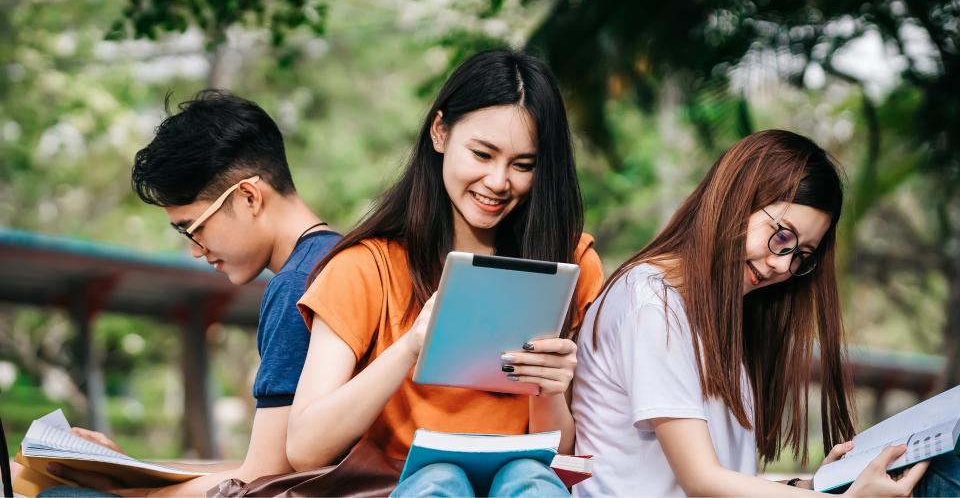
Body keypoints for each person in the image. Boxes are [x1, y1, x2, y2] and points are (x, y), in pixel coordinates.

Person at [571, 129, 960, 497]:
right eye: (783, 236)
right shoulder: (651, 301)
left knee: (924, 466)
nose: (782, 266)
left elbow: (729, 478)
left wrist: (817, 485)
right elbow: (702, 482)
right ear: (736, 200)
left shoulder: (715, 317)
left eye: (800, 255)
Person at [286, 49, 604, 497]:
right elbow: (305, 447)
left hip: (526, 480)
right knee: (440, 481)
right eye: (482, 154)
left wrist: (548, 388)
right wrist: (411, 346)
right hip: (401, 485)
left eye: (523, 165)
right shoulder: (364, 268)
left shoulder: (568, 263)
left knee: (529, 479)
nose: (498, 181)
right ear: (440, 133)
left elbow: (559, 452)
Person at [44, 91, 341, 497]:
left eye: (193, 227)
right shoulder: (340, 257)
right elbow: (263, 464)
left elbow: (261, 479)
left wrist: (134, 492)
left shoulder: (297, 286)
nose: (195, 251)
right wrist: (133, 469)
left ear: (248, 196)